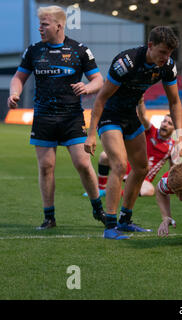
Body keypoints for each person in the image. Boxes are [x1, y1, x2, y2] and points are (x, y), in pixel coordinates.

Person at [7, 6, 105, 229]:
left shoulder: (79, 50)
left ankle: (98, 208)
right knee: (46, 167)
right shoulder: (33, 51)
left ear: (59, 26)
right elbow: (18, 77)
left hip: (72, 117)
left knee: (82, 163)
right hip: (44, 117)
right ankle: (49, 217)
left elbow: (99, 79)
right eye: (40, 24)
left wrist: (88, 87)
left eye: (45, 24)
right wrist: (15, 93)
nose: (40, 28)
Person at [84, 26, 182, 240]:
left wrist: (180, 136)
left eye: (170, 54)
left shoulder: (167, 66)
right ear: (150, 46)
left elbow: (174, 102)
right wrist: (91, 134)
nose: (166, 58)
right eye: (163, 52)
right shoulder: (126, 62)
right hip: (110, 115)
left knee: (141, 168)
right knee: (119, 165)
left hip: (131, 116)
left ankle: (125, 220)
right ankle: (110, 226)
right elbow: (101, 99)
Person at [91, 101, 177, 198]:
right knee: (104, 156)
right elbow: (143, 116)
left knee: (149, 190)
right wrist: (141, 100)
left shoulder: (173, 147)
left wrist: (172, 184)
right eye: (164, 121)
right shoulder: (151, 131)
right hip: (129, 166)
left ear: (174, 128)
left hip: (143, 177)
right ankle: (101, 189)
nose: (165, 124)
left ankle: (119, 192)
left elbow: (172, 170)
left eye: (169, 123)